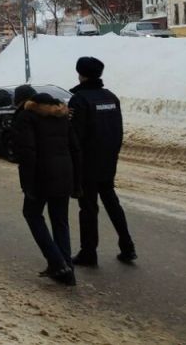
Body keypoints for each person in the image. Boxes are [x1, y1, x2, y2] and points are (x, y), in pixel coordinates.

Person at [69, 57, 137, 267]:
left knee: (88, 208)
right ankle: (127, 247)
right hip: (107, 162)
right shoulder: (111, 98)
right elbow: (118, 132)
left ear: (81, 74)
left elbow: (75, 137)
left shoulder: (79, 100)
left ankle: (88, 253)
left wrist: (73, 166)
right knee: (112, 204)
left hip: (87, 164)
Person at [12, 88, 81, 286]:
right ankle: (67, 272)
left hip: (41, 175)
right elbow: (75, 148)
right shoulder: (62, 116)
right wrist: (76, 181)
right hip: (64, 173)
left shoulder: (26, 117)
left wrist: (27, 183)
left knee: (32, 214)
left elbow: (27, 152)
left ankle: (57, 262)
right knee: (60, 221)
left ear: (23, 101)